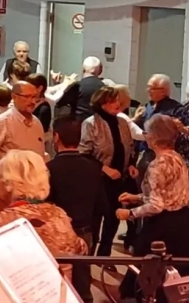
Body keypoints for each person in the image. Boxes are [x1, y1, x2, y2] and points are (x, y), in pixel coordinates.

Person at [117, 114, 189, 301]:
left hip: (163, 226)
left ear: (155, 137)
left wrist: (129, 213)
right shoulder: (178, 158)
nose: (145, 136)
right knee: (174, 274)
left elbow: (157, 206)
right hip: (182, 223)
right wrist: (136, 197)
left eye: (147, 132)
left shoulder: (157, 164)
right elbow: (169, 194)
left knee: (147, 268)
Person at [0, 150, 87, 264]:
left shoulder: (7, 219)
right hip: (60, 280)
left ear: (8, 182)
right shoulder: (58, 214)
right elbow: (81, 249)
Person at [47, 116, 106, 303]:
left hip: (58, 234)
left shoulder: (49, 169)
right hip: (85, 232)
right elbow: (103, 205)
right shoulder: (93, 168)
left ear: (56, 137)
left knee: (58, 281)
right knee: (82, 284)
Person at [79, 86, 136, 257]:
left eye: (118, 100)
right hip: (99, 180)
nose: (117, 104)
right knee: (95, 221)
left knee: (113, 220)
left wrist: (131, 164)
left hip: (119, 180)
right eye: (112, 101)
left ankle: (105, 255)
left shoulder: (123, 122)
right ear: (102, 103)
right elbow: (84, 153)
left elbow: (130, 148)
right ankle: (88, 258)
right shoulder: (90, 123)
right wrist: (105, 168)